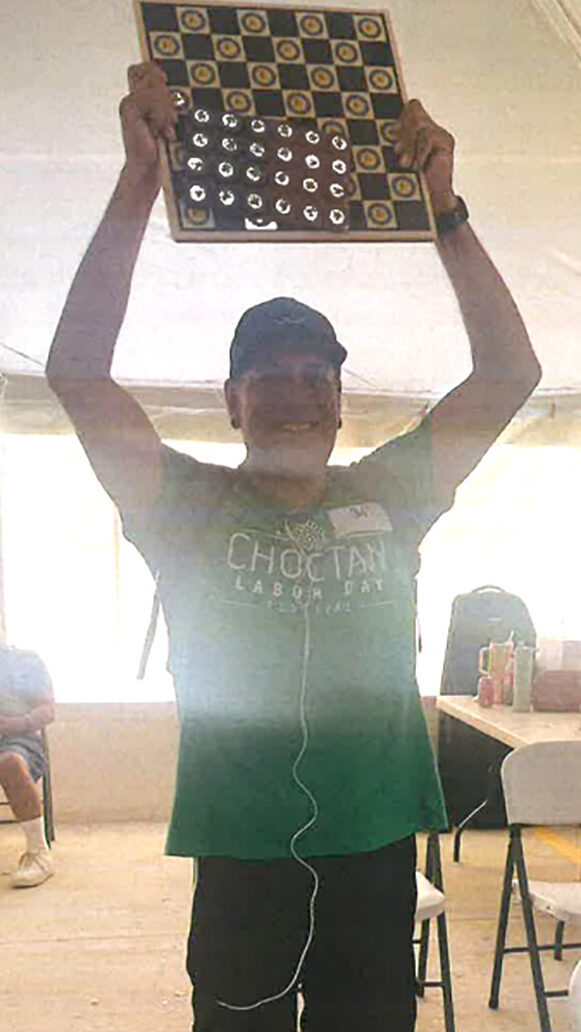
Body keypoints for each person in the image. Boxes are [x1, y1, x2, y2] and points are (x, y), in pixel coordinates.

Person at [45, 61, 541, 1032]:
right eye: (268, 377)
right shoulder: (181, 502)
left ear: (337, 400)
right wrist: (139, 180)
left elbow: (508, 370)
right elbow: (75, 372)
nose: (296, 394)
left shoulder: (391, 491)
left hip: (373, 851)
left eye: (316, 376)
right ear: (231, 400)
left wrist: (442, 208)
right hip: (241, 856)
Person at [0, 643, 55, 888]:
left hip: (15, 737)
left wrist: (14, 724)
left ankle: (38, 853)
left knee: (10, 762)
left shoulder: (24, 661)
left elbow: (47, 710)